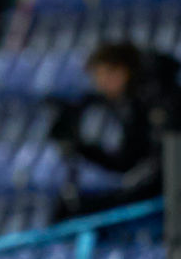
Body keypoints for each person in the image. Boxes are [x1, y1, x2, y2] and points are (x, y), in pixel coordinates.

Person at [50, 41, 181, 218]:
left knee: (76, 211)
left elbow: (161, 164)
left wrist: (124, 194)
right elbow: (128, 160)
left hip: (170, 193)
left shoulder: (159, 99)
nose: (99, 86)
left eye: (101, 77)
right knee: (70, 209)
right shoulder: (135, 102)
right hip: (159, 189)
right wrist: (81, 149)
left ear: (120, 72)